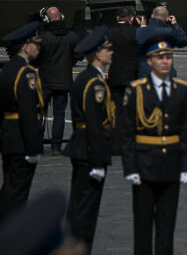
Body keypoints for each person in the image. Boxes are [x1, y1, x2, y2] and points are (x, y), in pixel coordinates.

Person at [121, 30, 187, 255]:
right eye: (160, 57)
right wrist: (130, 166)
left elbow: (185, 130)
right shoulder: (137, 90)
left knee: (166, 227)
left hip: (170, 165)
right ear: (149, 60)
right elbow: (127, 132)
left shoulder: (181, 89)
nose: (165, 62)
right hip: (144, 164)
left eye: (169, 57)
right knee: (142, 229)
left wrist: (186, 165)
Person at [64, 26, 115, 253]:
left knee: (78, 208)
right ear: (96, 53)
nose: (111, 53)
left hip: (81, 148)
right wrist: (97, 161)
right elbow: (94, 124)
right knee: (86, 211)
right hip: (89, 152)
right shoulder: (94, 83)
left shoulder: (87, 78)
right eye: (107, 49)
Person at [0, 22, 44, 223]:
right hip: (21, 140)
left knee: (9, 187)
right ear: (26, 46)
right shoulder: (25, 73)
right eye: (35, 43)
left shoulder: (8, 69)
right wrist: (34, 148)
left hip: (9, 136)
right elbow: (28, 113)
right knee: (17, 194)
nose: (38, 47)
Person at [37, 6, 81, 154]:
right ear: (61, 17)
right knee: (60, 114)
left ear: (46, 19)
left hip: (45, 80)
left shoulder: (43, 37)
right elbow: (79, 54)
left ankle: (37, 144)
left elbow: (34, 58)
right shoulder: (71, 36)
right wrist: (70, 62)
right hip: (63, 80)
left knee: (39, 113)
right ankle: (56, 146)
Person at [107, 7, 140, 154]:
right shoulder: (136, 33)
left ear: (117, 18)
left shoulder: (110, 33)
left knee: (115, 113)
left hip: (115, 76)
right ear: (132, 18)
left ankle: (115, 145)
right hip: (132, 76)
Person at [135, 6, 187, 79]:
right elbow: (183, 41)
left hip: (145, 73)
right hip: (165, 74)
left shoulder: (141, 32)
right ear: (167, 18)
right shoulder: (169, 32)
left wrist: (143, 26)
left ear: (152, 16)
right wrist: (175, 24)